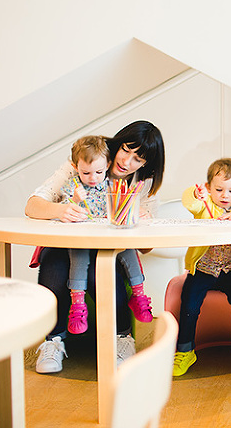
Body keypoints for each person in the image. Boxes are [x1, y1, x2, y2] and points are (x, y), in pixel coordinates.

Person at [25, 120, 165, 374]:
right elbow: (32, 205)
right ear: (116, 145)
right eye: (125, 150)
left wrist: (140, 220)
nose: (127, 162)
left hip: (109, 250)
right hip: (67, 245)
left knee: (101, 271)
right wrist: (61, 210)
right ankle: (53, 341)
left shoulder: (142, 184)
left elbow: (147, 248)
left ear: (146, 165)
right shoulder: (88, 159)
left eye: (138, 159)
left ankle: (122, 337)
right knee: (54, 265)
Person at [173, 158, 231, 376]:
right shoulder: (204, 207)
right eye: (219, 189)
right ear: (209, 187)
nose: (224, 195)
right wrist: (196, 193)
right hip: (203, 270)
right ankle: (185, 350)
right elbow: (189, 202)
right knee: (189, 303)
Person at [60, 135, 153, 335]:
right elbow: (63, 211)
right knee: (78, 260)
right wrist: (75, 200)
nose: (93, 178)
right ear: (75, 167)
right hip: (81, 239)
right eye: (86, 173)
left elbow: (120, 211)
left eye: (99, 172)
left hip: (108, 239)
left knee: (129, 251)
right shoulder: (72, 186)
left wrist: (136, 211)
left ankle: (138, 294)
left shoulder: (112, 186)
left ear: (107, 166)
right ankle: (78, 306)